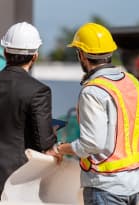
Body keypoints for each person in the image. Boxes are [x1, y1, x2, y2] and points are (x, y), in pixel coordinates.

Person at [0, 22, 60, 200]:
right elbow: (44, 142)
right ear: (35, 56)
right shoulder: (39, 91)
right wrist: (53, 133)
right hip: (21, 180)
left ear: (5, 52)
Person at [55, 22, 139, 205]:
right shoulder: (132, 82)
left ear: (82, 55)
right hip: (134, 184)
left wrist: (61, 148)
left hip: (105, 188)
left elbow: (92, 143)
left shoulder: (93, 91)